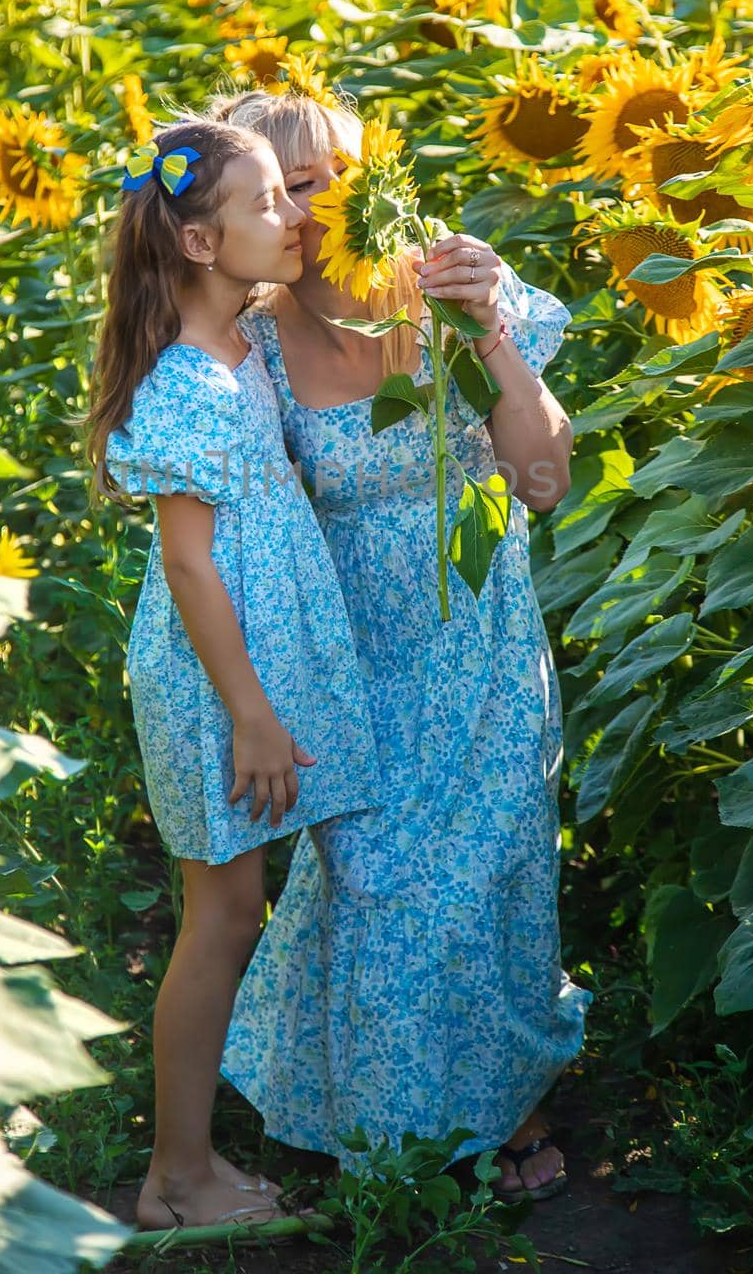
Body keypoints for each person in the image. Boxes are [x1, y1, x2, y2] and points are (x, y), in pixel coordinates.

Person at [213, 85, 592, 1203]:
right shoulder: (253, 347)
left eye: (327, 175)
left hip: (479, 633)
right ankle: (387, 1144)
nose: (306, 206)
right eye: (280, 189)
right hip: (351, 655)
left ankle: (508, 1109)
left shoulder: (451, 285)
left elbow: (545, 478)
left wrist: (486, 332)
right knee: (377, 886)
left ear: (372, 181)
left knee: (497, 873)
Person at [85, 116, 382, 1233]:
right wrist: (251, 717)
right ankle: (178, 1175)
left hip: (257, 658)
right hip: (219, 675)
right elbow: (188, 561)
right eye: (267, 203)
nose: (294, 217)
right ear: (202, 244)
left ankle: (202, 1154)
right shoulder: (186, 387)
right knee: (219, 917)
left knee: (239, 909)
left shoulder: (242, 346)